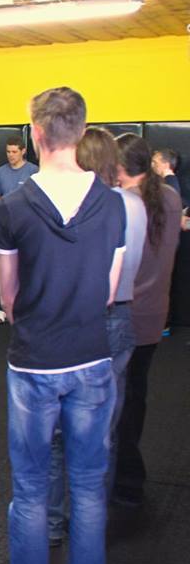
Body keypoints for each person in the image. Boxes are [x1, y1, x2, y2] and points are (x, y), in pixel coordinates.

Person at [0, 87, 126, 564]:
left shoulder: (14, 207)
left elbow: (8, 299)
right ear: (81, 131)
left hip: (35, 365)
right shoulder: (113, 203)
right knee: (88, 487)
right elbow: (107, 292)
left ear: (36, 133)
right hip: (92, 361)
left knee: (31, 490)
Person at [47, 127, 146, 548]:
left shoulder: (80, 207)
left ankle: (53, 523)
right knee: (101, 431)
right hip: (119, 319)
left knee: (56, 432)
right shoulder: (135, 204)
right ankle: (89, 527)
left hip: (77, 319)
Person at [112, 134, 183, 508]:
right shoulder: (169, 198)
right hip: (154, 315)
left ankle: (120, 480)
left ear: (119, 166)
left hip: (123, 315)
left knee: (113, 402)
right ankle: (127, 480)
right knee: (134, 396)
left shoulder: (122, 203)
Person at [0, 136, 38, 324]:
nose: (11, 155)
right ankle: (3, 309)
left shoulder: (34, 171)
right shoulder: (0, 173)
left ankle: (27, 308)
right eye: (8, 152)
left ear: (23, 151)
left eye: (14, 151)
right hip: (5, 227)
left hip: (27, 227)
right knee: (4, 269)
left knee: (28, 268)